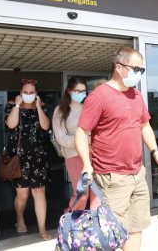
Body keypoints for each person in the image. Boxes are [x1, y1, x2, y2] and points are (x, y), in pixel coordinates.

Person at [75, 47, 158, 251]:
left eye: (142, 70)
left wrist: (155, 151)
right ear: (119, 67)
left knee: (136, 228)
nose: (139, 74)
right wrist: (86, 165)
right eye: (137, 69)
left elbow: (144, 126)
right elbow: (82, 132)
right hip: (112, 177)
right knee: (112, 233)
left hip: (137, 173)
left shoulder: (136, 95)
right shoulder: (99, 96)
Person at [4, 79, 52, 240]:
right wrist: (17, 106)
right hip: (19, 157)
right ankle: (19, 218)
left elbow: (46, 126)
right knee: (23, 195)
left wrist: (38, 106)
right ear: (20, 92)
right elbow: (11, 125)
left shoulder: (42, 106)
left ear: (36, 94)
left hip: (39, 157)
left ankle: (42, 228)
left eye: (32, 92)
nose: (29, 95)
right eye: (26, 92)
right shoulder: (12, 105)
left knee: (39, 192)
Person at [52, 76, 100, 212]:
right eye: (77, 91)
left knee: (96, 194)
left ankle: (96, 225)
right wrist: (84, 141)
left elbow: (97, 132)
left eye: (83, 91)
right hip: (73, 156)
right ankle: (73, 220)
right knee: (81, 193)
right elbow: (61, 138)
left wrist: (85, 139)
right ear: (69, 91)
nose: (81, 94)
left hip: (94, 154)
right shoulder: (60, 110)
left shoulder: (90, 107)